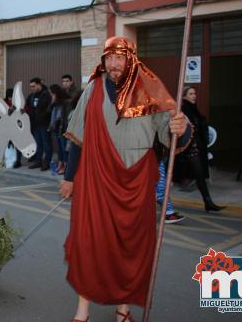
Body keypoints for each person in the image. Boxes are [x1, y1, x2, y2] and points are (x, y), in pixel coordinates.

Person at [59, 37, 190, 322]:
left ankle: (123, 309)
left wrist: (181, 127)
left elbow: (171, 132)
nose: (114, 64)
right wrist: (70, 178)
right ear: (103, 61)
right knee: (89, 244)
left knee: (131, 248)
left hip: (136, 180)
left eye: (120, 57)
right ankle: (82, 312)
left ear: (131, 58)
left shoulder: (149, 87)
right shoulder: (93, 88)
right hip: (95, 177)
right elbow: (77, 139)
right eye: (109, 58)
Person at [174, 87, 224, 211]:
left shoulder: (194, 108)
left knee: (199, 175)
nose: (194, 96)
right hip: (187, 148)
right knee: (197, 174)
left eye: (195, 93)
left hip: (196, 147)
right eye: (191, 94)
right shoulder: (182, 109)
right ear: (184, 96)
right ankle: (208, 202)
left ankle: (208, 202)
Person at [26, 77, 52, 170]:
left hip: (44, 124)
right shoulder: (32, 96)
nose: (32, 88)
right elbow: (29, 107)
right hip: (35, 124)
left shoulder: (47, 94)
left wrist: (44, 117)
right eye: (30, 86)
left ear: (39, 84)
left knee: (46, 143)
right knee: (38, 143)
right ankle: (38, 161)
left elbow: (49, 109)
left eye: (33, 86)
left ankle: (46, 162)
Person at [49, 84, 73, 175]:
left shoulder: (66, 103)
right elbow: (49, 112)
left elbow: (66, 118)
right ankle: (61, 164)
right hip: (57, 129)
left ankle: (66, 166)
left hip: (63, 129)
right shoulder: (55, 103)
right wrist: (52, 102)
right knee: (59, 148)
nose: (51, 96)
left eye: (52, 94)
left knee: (64, 148)